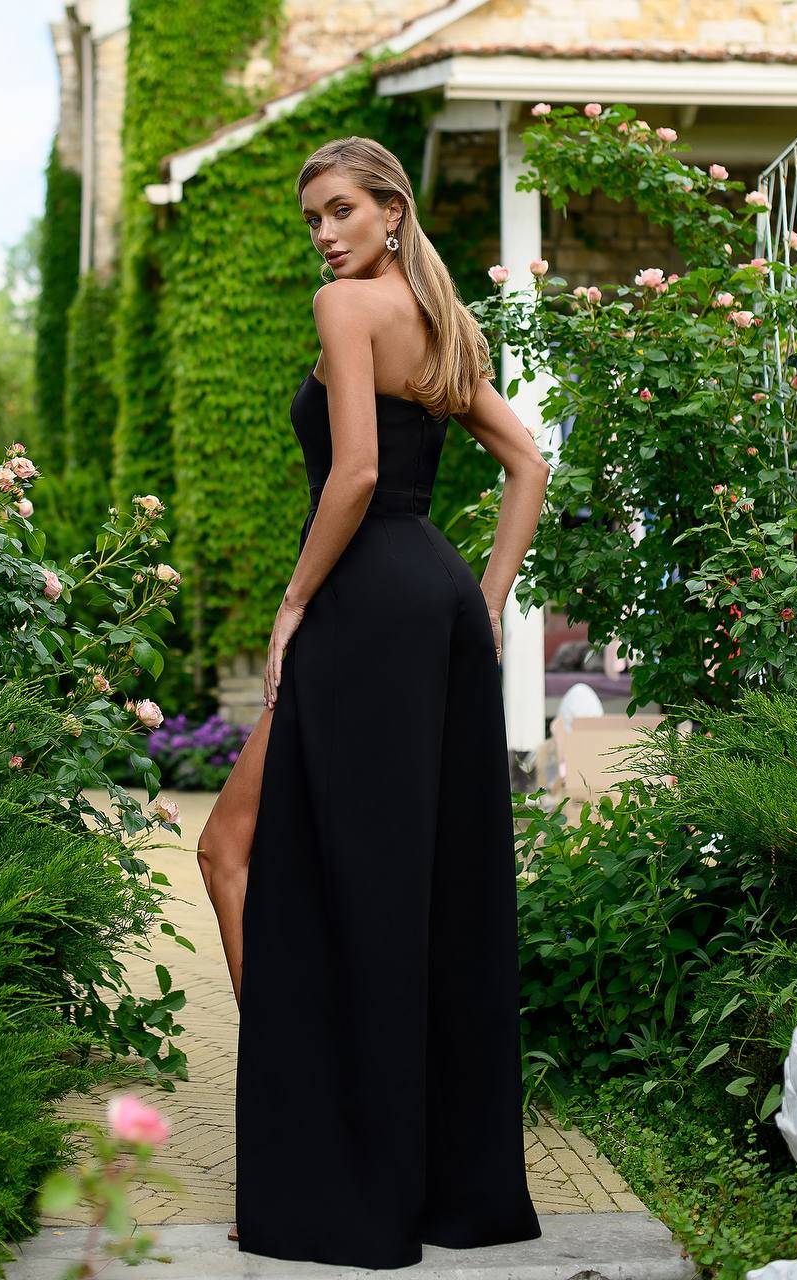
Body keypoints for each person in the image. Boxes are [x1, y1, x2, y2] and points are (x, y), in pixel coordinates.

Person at [196, 135, 550, 1271]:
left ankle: (325, 1155)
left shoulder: (347, 309)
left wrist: (293, 604)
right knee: (382, 881)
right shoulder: (434, 319)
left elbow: (352, 475)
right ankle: (346, 1147)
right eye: (314, 220)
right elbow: (526, 461)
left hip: (362, 604)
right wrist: (482, 599)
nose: (326, 234)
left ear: (392, 210)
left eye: (342, 210)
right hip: (429, 602)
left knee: (269, 858)